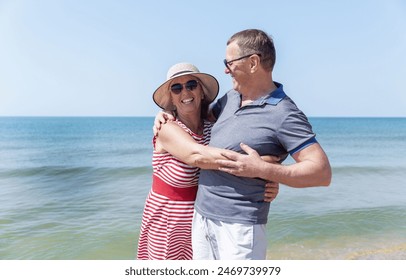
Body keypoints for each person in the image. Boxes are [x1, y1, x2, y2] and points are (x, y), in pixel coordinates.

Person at [191, 29, 332, 260]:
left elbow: (321, 172)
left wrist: (264, 170)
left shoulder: (284, 113)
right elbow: (197, 118)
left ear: (253, 62)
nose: (226, 69)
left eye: (229, 62)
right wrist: (165, 116)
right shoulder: (230, 98)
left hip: (240, 228)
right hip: (203, 217)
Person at [137, 62, 279, 260]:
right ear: (171, 97)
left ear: (202, 91)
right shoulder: (167, 128)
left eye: (191, 85)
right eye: (176, 88)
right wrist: (260, 166)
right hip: (168, 220)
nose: (184, 92)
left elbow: (251, 148)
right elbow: (199, 156)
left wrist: (269, 174)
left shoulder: (214, 127)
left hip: (205, 217)